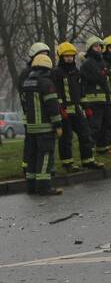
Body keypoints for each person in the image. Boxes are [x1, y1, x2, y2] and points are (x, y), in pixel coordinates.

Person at [52, 42, 105, 171]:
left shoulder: (76, 72)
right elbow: (55, 93)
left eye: (71, 56)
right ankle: (68, 164)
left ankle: (88, 161)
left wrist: (86, 107)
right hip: (64, 111)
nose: (69, 58)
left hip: (77, 110)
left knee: (85, 134)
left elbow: (81, 92)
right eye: (66, 56)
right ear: (61, 57)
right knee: (66, 138)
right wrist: (60, 108)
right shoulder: (56, 73)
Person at [20, 52, 63, 195]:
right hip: (45, 128)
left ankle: (31, 187)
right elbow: (52, 106)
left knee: (32, 157)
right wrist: (57, 124)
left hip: (31, 128)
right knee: (45, 157)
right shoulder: (46, 83)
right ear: (47, 68)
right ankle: (44, 187)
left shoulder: (27, 82)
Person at [80, 36, 111, 155]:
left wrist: (106, 73)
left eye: (100, 46)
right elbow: (98, 77)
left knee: (106, 125)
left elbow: (108, 75)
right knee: (94, 126)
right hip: (93, 100)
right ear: (90, 48)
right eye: (96, 46)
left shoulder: (101, 61)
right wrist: (104, 74)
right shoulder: (88, 63)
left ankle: (102, 148)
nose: (99, 48)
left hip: (104, 99)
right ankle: (89, 149)